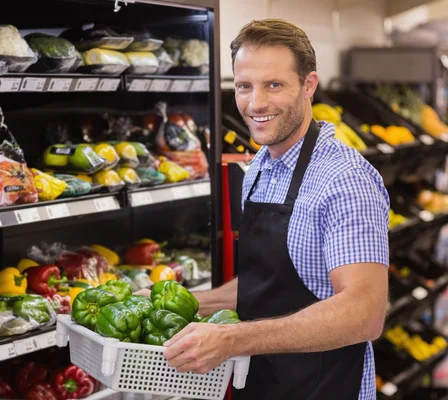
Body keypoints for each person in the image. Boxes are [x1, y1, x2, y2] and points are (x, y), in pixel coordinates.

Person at [139, 19, 389, 400]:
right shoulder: (259, 168)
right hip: (263, 383)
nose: (255, 104)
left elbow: (364, 313)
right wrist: (173, 300)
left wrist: (233, 338)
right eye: (244, 86)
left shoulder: (345, 180)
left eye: (274, 85)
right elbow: (269, 285)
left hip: (325, 388)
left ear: (308, 85)